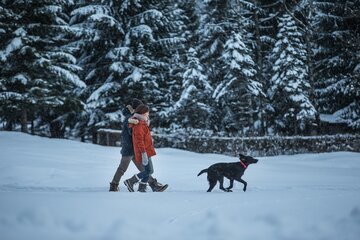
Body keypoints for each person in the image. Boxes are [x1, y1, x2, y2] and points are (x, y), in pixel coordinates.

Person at [109, 99, 168, 192]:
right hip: (129, 148)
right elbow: (134, 133)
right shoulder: (131, 119)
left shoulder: (136, 118)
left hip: (136, 149)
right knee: (122, 168)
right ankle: (114, 185)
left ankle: (153, 185)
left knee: (144, 169)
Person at [124, 104, 158, 192]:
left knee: (148, 170)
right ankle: (131, 181)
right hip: (144, 151)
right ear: (142, 113)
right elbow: (139, 141)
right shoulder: (139, 125)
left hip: (147, 150)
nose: (148, 114)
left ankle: (141, 188)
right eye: (147, 112)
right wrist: (143, 153)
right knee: (149, 170)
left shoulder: (142, 123)